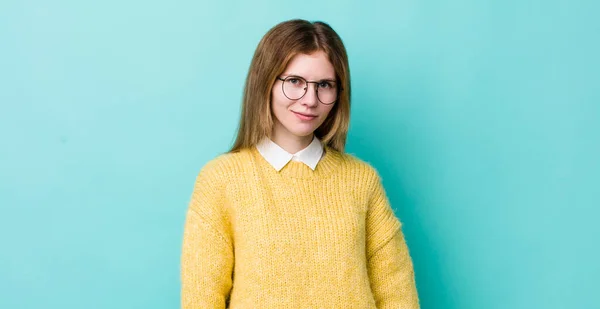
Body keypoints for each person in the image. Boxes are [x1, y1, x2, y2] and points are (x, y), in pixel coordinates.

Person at [180, 19, 420, 308]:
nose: (310, 100)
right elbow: (201, 298)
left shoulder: (361, 180)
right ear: (265, 82)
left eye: (325, 85)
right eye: (294, 81)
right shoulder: (221, 180)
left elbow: (397, 292)